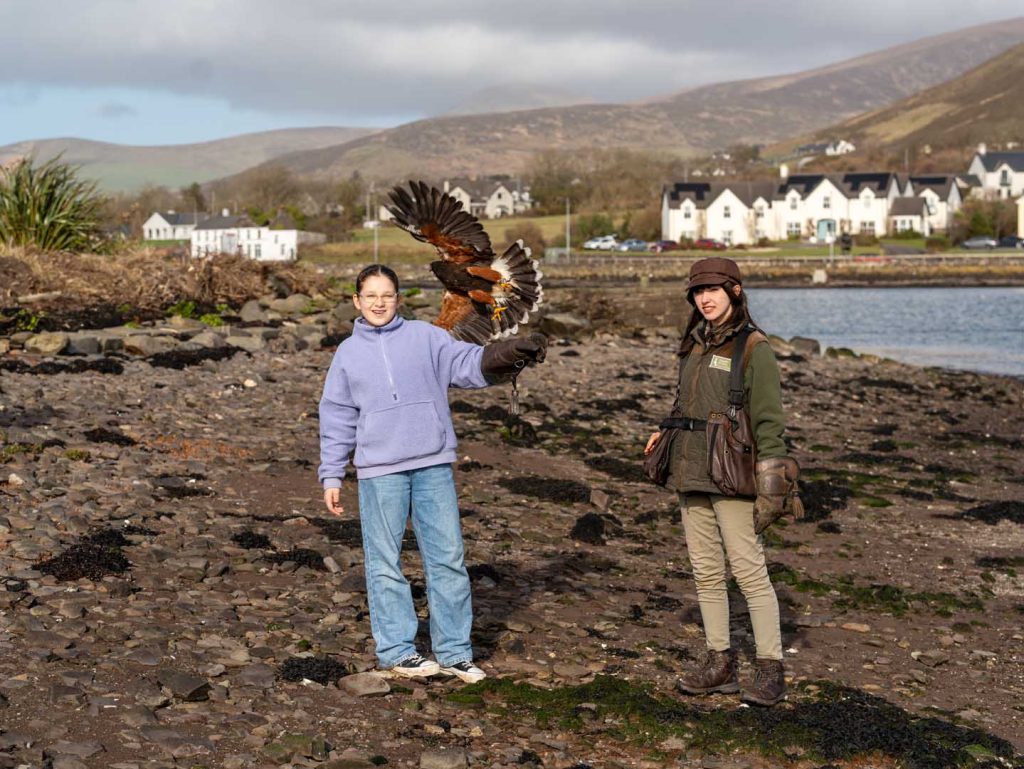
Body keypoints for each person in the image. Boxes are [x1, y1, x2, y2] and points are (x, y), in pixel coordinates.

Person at [318, 264, 546, 683]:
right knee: (384, 564)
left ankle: (454, 652)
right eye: (370, 296)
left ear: (398, 298)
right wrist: (332, 475)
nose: (379, 303)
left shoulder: (427, 337)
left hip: (432, 465)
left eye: (387, 295)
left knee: (448, 560)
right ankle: (397, 651)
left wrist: (508, 354)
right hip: (379, 471)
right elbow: (337, 416)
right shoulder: (346, 354)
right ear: (356, 301)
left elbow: (468, 365)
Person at [644, 257, 800, 706]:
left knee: (750, 573)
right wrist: (664, 431)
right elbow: (684, 403)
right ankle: (720, 664)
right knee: (707, 573)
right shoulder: (693, 344)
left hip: (732, 476)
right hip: (690, 471)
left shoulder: (754, 348)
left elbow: (769, 422)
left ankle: (770, 668)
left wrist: (773, 486)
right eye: (697, 291)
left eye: (712, 289)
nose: (704, 299)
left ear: (734, 291)